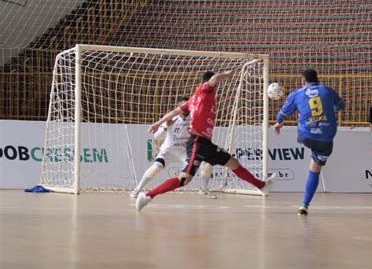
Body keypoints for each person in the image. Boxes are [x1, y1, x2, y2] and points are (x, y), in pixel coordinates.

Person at [136, 70, 276, 211]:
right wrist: (231, 73)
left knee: (233, 163)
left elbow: (174, 112)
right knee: (183, 180)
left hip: (204, 143)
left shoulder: (193, 100)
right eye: (215, 85)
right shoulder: (204, 91)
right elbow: (215, 78)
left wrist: (156, 124)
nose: (216, 87)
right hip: (197, 142)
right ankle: (147, 196)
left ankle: (262, 186)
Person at [273, 69, 345, 216]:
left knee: (311, 146)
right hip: (326, 138)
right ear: (317, 80)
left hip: (306, 137)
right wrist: (330, 108)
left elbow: (280, 115)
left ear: (303, 81)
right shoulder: (327, 90)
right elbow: (341, 106)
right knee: (315, 170)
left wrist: (278, 123)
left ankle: (304, 206)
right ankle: (304, 206)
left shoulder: (297, 93)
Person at [130, 97, 216, 199]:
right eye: (183, 108)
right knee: (156, 167)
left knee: (206, 165)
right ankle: (138, 189)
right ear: (178, 108)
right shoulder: (171, 119)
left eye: (187, 108)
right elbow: (156, 136)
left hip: (185, 152)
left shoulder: (194, 119)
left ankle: (204, 189)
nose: (185, 111)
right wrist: (166, 126)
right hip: (169, 151)